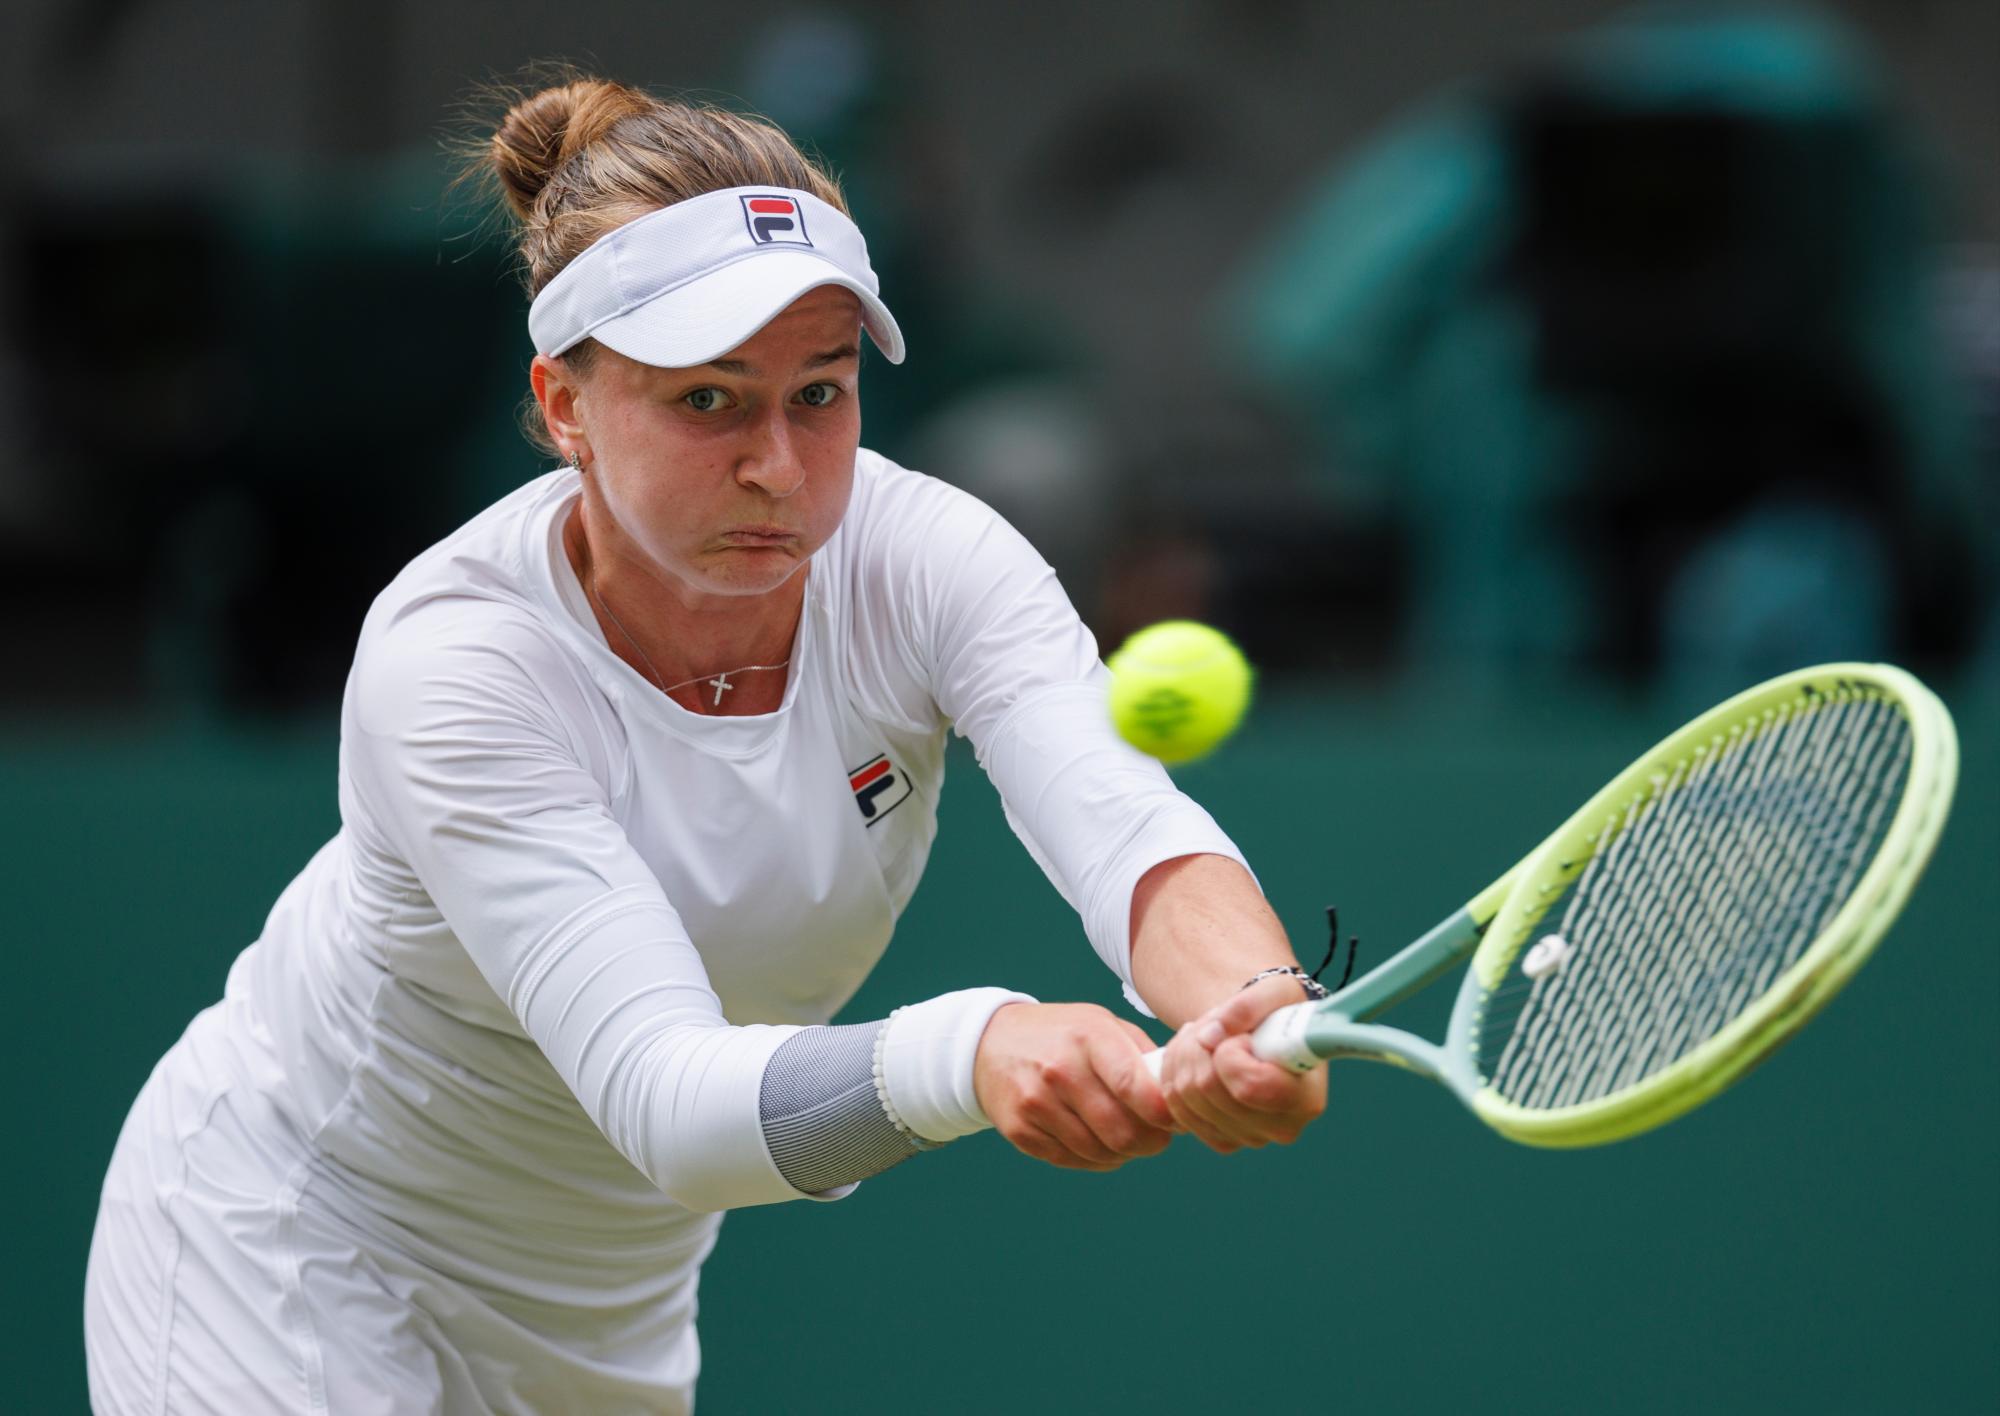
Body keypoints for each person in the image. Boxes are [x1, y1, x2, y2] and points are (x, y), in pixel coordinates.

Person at [83, 76, 1326, 1414]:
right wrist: (977, 1049)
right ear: (565, 407)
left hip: (605, 1322)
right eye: (708, 401)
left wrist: (1250, 1009)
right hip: (284, 1252)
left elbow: (1128, 828)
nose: (783, 467)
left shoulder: (933, 561)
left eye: (820, 392)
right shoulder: (458, 662)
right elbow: (670, 1101)